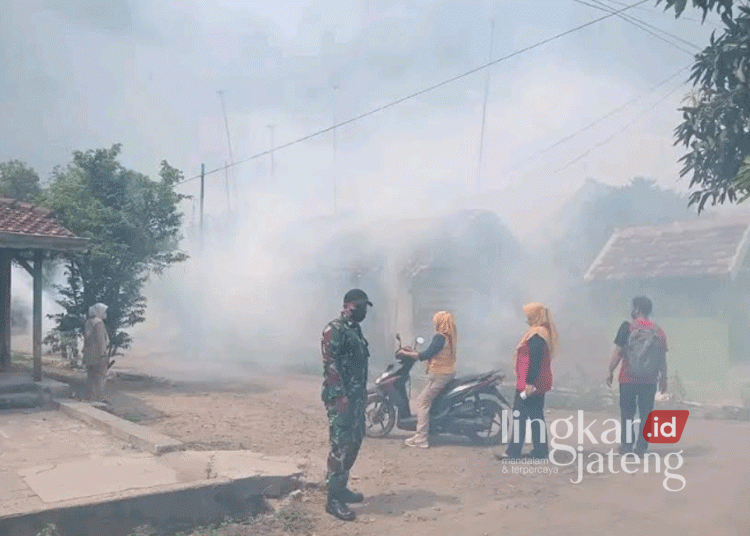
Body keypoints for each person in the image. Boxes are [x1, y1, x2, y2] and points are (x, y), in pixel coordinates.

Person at [321, 289, 372, 522]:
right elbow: (330, 365)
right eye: (359, 306)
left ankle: (341, 488)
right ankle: (333, 499)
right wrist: (341, 396)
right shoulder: (335, 329)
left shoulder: (355, 330)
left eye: (365, 307)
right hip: (341, 398)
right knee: (341, 445)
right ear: (347, 305)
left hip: (356, 397)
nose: (363, 311)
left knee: (354, 441)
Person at [606, 296, 668, 456]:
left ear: (638, 309)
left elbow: (618, 352)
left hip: (628, 379)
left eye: (633, 307)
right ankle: (641, 447)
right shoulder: (658, 331)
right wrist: (663, 379)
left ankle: (627, 445)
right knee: (646, 413)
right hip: (649, 380)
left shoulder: (627, 328)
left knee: (627, 412)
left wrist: (610, 371)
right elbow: (662, 357)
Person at [498, 303, 557, 460]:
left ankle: (513, 452)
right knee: (536, 415)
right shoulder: (542, 332)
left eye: (528, 316)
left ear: (535, 316)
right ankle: (540, 450)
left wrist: (529, 383)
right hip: (537, 380)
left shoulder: (537, 335)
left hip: (530, 382)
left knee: (519, 415)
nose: (526, 319)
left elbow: (535, 360)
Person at [396, 310, 457, 449]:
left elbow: (425, 354)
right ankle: (420, 435)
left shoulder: (440, 337)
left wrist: (405, 353)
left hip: (440, 374)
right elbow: (430, 352)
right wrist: (412, 352)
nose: (434, 323)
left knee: (422, 402)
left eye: (436, 321)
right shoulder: (450, 336)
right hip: (447, 373)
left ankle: (422, 438)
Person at [82, 303, 110, 403]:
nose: (105, 313)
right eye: (104, 311)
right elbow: (100, 340)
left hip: (88, 352)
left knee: (90, 375)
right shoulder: (99, 323)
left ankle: (90, 395)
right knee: (101, 375)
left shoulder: (88, 322)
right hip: (97, 353)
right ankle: (100, 397)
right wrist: (103, 354)